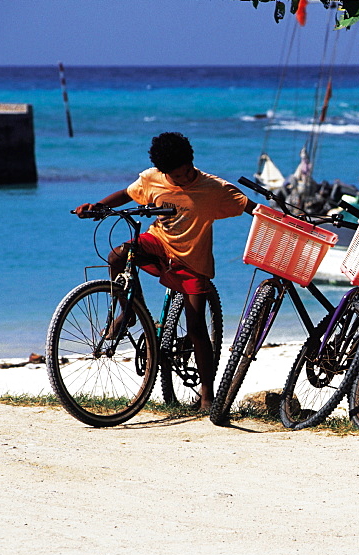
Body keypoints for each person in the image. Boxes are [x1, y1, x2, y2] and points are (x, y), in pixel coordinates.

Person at [75, 132, 260, 411]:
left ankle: (207, 395)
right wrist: (99, 205)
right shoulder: (152, 179)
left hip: (192, 262)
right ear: (164, 172)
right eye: (176, 175)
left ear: (191, 161)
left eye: (187, 171)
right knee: (117, 257)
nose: (183, 178)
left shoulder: (215, 188)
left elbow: (251, 208)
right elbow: (127, 194)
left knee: (197, 328)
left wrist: (285, 222)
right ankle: (129, 312)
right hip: (158, 244)